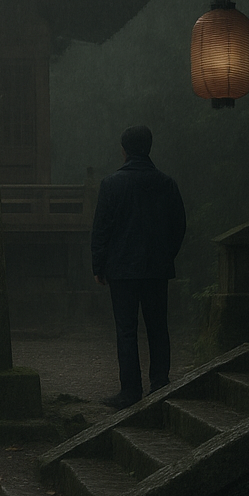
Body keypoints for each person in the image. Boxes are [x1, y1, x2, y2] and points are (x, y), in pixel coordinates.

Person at [91, 125, 187, 410]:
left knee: (126, 330)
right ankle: (159, 383)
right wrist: (166, 255)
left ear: (124, 151)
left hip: (122, 269)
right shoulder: (166, 183)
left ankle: (130, 391)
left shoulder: (112, 184)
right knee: (158, 327)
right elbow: (179, 226)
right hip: (156, 268)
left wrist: (99, 264)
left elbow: (101, 229)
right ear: (149, 148)